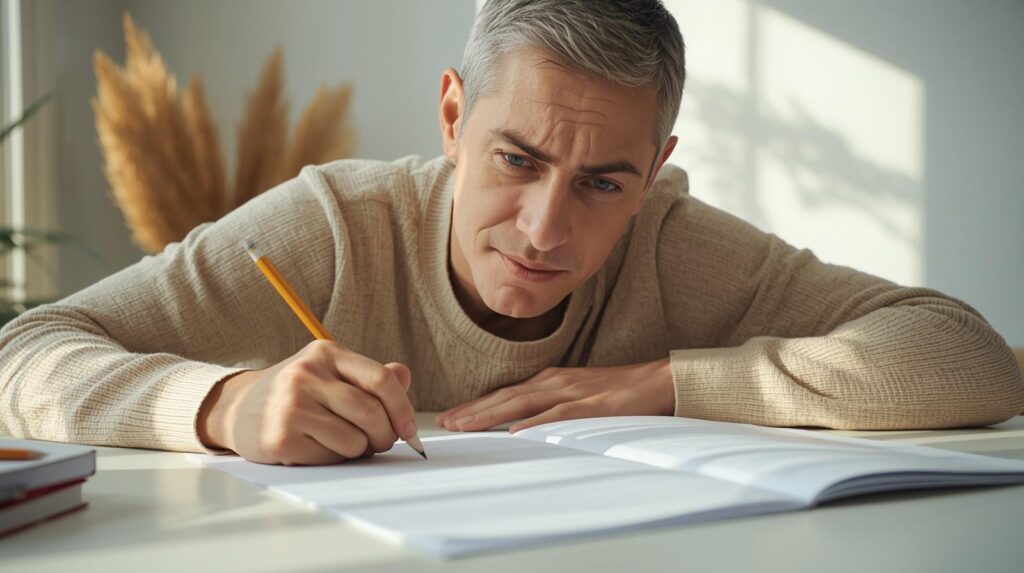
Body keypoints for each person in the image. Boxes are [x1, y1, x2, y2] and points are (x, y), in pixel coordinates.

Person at [1, 0, 1021, 466]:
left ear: (655, 170)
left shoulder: (671, 240)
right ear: (451, 117)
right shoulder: (334, 225)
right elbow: (24, 352)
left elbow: (965, 356)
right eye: (516, 159)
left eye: (603, 181)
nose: (543, 228)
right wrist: (225, 404)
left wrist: (666, 382)